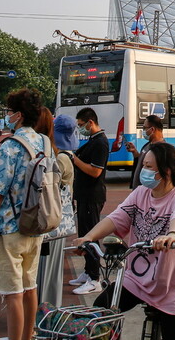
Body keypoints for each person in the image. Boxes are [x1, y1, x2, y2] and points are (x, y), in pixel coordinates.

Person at [76, 142, 175, 340]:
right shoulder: (140, 193)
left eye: (149, 167)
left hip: (172, 284)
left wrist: (172, 236)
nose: (144, 171)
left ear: (165, 171)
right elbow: (116, 217)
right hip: (136, 279)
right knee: (101, 311)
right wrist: (89, 237)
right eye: (143, 165)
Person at [0, 88, 47, 340]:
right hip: (36, 224)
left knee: (13, 293)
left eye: (9, 111)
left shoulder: (10, 146)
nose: (7, 115)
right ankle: (29, 335)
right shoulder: (44, 142)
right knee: (30, 287)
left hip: (10, 228)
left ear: (18, 115)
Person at [34, 109, 75, 307]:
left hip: (51, 221)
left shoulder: (58, 158)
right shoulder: (63, 154)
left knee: (47, 271)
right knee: (49, 270)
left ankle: (45, 313)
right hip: (55, 220)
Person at [68, 107, 109, 295]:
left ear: (90, 122)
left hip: (93, 195)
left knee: (91, 236)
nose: (80, 129)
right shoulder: (92, 140)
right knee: (85, 234)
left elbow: (95, 171)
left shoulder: (100, 142)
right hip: (84, 194)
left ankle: (94, 278)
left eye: (81, 125)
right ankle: (87, 271)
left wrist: (75, 160)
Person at [128, 114, 165, 189]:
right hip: (138, 191)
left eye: (145, 128)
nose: (143, 131)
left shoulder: (162, 149)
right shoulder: (147, 145)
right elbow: (141, 161)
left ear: (152, 129)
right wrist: (135, 152)